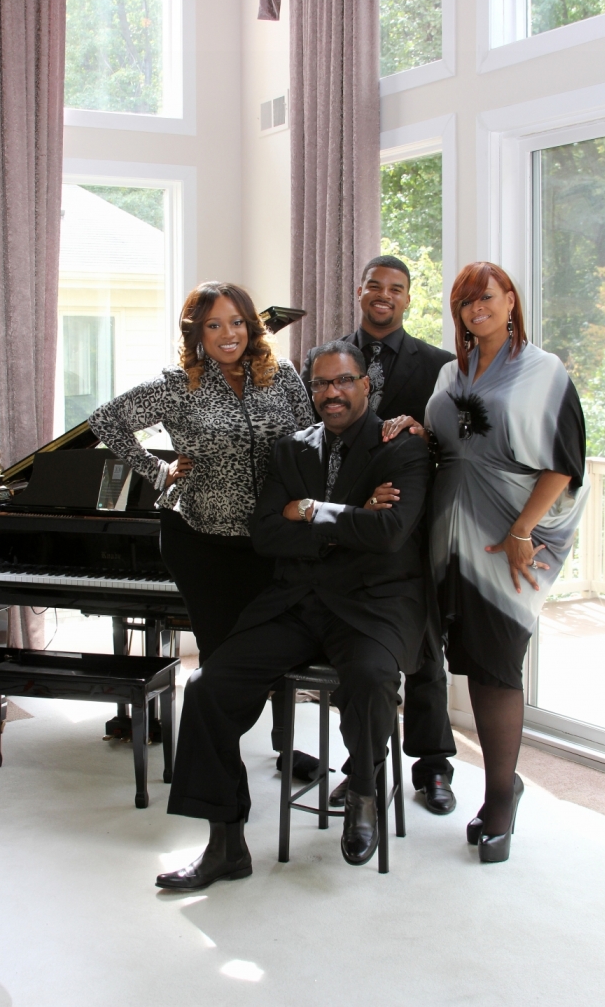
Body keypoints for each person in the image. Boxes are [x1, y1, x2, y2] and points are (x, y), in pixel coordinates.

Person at [156, 341, 431, 890]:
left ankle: (362, 791)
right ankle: (226, 844)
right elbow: (266, 534)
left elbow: (389, 532)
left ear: (365, 386)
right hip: (296, 602)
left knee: (373, 677)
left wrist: (310, 511)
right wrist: (349, 522)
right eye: (321, 384)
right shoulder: (292, 449)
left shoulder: (400, 447)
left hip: (371, 604)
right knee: (208, 687)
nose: (332, 393)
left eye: (344, 381)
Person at [399, 261, 588, 863]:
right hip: (446, 535)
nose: (475, 309)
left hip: (508, 536)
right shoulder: (452, 372)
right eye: (464, 302)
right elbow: (445, 443)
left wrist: (523, 529)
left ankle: (502, 796)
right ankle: (500, 786)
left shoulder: (543, 371)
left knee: (497, 665)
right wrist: (413, 429)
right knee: (465, 659)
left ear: (511, 300)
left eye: (486, 298)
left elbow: (563, 461)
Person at [89, 281, 315, 670]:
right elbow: (105, 420)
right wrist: (157, 470)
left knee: (271, 651)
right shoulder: (177, 385)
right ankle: (214, 728)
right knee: (221, 656)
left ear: (250, 327)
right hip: (201, 541)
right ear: (196, 332)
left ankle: (265, 729)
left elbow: (310, 437)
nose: (229, 335)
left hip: (271, 537)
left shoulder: (282, 375)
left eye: (237, 322)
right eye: (214, 325)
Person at [301, 254, 458, 816]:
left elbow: (452, 442)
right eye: (374, 286)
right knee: (362, 656)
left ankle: (433, 765)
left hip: (411, 525)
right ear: (360, 292)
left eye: (396, 288)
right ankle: (363, 767)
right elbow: (312, 442)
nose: (384, 295)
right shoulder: (321, 360)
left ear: (409, 299)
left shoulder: (438, 364)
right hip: (345, 525)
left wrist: (422, 430)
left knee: (424, 648)